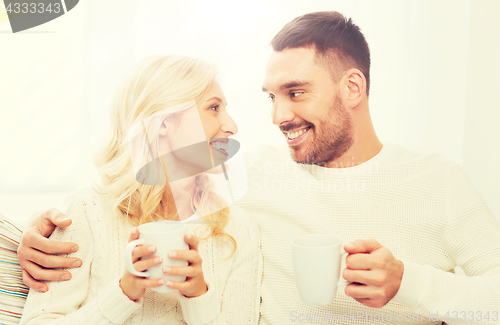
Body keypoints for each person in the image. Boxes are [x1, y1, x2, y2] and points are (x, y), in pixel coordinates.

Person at [19, 11, 500, 324]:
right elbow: (138, 177)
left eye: (296, 93)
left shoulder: (438, 182)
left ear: (353, 89)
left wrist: (408, 283)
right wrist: (35, 234)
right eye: (271, 97)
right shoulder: (238, 176)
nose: (277, 117)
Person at [18, 55, 262, 324]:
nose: (231, 126)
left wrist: (197, 296)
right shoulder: (87, 213)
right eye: (213, 108)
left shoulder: (236, 229)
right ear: (165, 122)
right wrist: (123, 293)